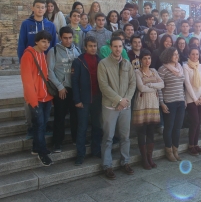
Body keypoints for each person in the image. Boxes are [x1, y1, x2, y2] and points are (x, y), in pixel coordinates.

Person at [97, 36, 136, 179]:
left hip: (125, 107)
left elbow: (132, 83)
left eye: (120, 46)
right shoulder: (103, 64)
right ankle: (107, 166)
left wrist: (126, 100)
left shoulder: (127, 64)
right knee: (108, 137)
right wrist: (119, 100)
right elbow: (103, 86)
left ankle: (125, 162)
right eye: (115, 46)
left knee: (125, 136)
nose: (118, 49)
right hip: (110, 107)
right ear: (110, 47)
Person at [18, 0, 57, 139]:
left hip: (46, 65)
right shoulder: (26, 24)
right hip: (31, 63)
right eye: (38, 7)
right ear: (33, 8)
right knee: (30, 94)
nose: (41, 9)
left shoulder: (50, 25)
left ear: (46, 9)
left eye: (43, 7)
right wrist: (22, 63)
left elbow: (53, 46)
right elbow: (21, 44)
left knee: (45, 94)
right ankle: (30, 126)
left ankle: (43, 124)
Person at [20, 30, 54, 166]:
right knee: (39, 125)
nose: (46, 44)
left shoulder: (43, 54)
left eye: (48, 42)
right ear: (36, 41)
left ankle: (36, 147)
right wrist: (33, 101)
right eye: (43, 41)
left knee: (42, 124)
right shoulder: (28, 56)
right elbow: (27, 81)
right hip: (36, 99)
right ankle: (42, 153)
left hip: (46, 97)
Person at [47, 26, 81, 152]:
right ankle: (57, 143)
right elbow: (49, 71)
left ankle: (76, 139)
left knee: (75, 116)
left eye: (70, 38)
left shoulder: (77, 50)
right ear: (60, 38)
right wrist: (60, 87)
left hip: (74, 88)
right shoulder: (53, 51)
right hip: (62, 89)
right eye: (65, 38)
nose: (68, 40)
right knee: (60, 116)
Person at [71, 36, 102, 165]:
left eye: (95, 46)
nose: (93, 48)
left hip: (97, 99)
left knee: (97, 126)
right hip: (83, 100)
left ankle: (96, 150)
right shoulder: (78, 61)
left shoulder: (100, 60)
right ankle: (80, 154)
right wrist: (77, 100)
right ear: (85, 47)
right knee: (82, 127)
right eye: (90, 46)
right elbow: (74, 82)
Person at [133, 49, 164, 169]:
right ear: (141, 60)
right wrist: (154, 87)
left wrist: (150, 85)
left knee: (151, 131)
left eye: (149, 58)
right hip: (141, 104)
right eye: (145, 58)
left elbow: (162, 84)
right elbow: (141, 88)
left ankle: (150, 157)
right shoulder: (137, 72)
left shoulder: (154, 71)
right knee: (142, 131)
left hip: (153, 104)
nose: (147, 61)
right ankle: (144, 159)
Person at [158, 47, 186, 162]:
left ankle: (175, 149)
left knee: (177, 128)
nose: (176, 56)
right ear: (168, 55)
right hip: (169, 102)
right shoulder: (162, 69)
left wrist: (184, 99)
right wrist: (162, 103)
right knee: (169, 128)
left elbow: (182, 85)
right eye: (174, 54)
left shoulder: (179, 67)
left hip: (180, 101)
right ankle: (168, 150)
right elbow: (159, 88)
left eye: (177, 54)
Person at [183, 48, 201, 155]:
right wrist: (195, 99)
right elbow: (187, 84)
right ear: (189, 55)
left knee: (198, 122)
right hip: (191, 99)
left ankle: (196, 144)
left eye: (197, 54)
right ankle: (191, 145)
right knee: (195, 121)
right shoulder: (185, 67)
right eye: (192, 54)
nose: (195, 56)